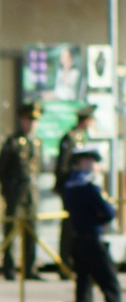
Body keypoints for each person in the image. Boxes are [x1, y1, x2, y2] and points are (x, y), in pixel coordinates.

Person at [60, 146, 122, 302]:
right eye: (90, 161)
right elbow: (109, 212)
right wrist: (100, 215)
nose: (94, 165)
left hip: (78, 241)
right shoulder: (89, 187)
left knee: (84, 291)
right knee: (111, 288)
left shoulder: (69, 186)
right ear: (81, 162)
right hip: (94, 242)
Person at [0, 105, 43, 281]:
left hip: (31, 193)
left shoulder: (36, 142)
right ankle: (8, 268)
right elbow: (2, 169)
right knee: (11, 231)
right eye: (29, 120)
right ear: (22, 120)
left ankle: (29, 268)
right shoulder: (13, 142)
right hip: (15, 193)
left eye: (35, 121)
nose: (32, 124)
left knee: (31, 231)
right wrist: (6, 191)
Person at [53, 105, 97, 280]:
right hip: (70, 187)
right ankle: (65, 263)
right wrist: (61, 185)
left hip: (80, 187)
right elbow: (63, 163)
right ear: (85, 120)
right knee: (69, 226)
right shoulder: (70, 137)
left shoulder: (82, 137)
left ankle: (76, 262)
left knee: (78, 225)